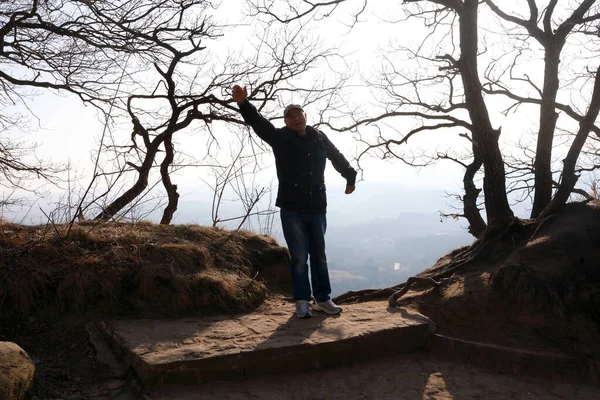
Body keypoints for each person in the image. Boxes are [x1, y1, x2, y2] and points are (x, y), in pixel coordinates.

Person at [232, 85, 357, 319]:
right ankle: (302, 301)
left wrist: (350, 176)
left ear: (305, 116)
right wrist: (243, 103)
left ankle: (322, 299)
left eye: (298, 114)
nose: (295, 118)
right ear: (286, 121)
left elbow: (337, 156)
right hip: (292, 209)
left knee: (319, 256)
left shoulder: (319, 137)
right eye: (290, 116)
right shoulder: (281, 139)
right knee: (299, 258)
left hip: (317, 207)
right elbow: (259, 124)